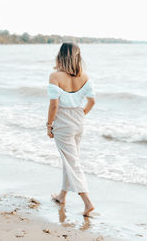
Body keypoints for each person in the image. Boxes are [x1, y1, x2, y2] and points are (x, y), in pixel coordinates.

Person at [46, 42, 96, 217]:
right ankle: (62, 196)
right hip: (78, 121)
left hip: (63, 123)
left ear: (61, 56)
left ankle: (88, 203)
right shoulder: (84, 77)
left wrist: (49, 125)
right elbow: (92, 102)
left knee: (72, 163)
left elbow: (54, 105)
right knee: (70, 160)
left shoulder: (55, 76)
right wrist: (81, 114)